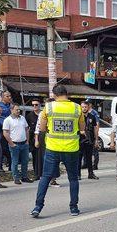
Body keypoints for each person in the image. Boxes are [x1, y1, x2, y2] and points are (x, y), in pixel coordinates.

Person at [31, 86, 85, 218]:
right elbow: (82, 128)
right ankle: (74, 208)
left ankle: (38, 207)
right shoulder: (77, 108)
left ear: (54, 95)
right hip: (71, 149)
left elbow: (42, 128)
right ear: (67, 94)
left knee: (45, 177)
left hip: (53, 148)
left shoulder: (48, 108)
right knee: (73, 179)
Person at [3, 104, 33, 185]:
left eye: (19, 109)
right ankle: (16, 178)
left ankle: (24, 177)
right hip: (14, 144)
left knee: (25, 161)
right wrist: (11, 143)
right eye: (16, 109)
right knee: (15, 162)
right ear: (11, 110)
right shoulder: (7, 120)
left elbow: (27, 130)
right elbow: (5, 133)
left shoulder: (22, 118)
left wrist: (27, 141)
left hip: (24, 143)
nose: (18, 111)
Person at [34, 98, 60, 187]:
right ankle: (44, 179)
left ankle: (53, 179)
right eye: (46, 104)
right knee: (44, 158)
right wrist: (36, 140)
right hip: (44, 135)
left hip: (54, 137)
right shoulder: (42, 113)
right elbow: (38, 127)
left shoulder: (57, 113)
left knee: (55, 158)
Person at [79, 101, 99, 180]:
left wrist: (96, 139)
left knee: (89, 158)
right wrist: (80, 131)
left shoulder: (92, 116)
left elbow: (95, 128)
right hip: (80, 140)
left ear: (88, 107)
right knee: (79, 158)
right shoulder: (78, 117)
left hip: (90, 140)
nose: (84, 108)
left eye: (85, 107)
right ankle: (78, 174)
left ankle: (90, 173)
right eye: (82, 107)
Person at [0, 91, 13, 170]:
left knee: (10, 147)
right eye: (7, 96)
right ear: (2, 97)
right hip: (1, 129)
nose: (9, 98)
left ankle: (11, 166)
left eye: (10, 96)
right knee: (3, 148)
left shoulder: (10, 106)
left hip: (10, 129)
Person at [26, 98, 42, 178]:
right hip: (33, 139)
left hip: (42, 138)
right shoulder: (29, 116)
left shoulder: (43, 114)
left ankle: (43, 173)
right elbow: (27, 129)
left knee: (42, 157)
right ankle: (36, 174)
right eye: (33, 105)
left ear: (40, 105)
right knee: (35, 157)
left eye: (36, 104)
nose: (34, 106)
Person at [88, 103, 100, 170]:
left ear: (90, 105)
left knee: (95, 150)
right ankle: (85, 163)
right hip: (87, 134)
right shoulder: (85, 112)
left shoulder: (94, 112)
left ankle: (95, 165)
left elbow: (97, 124)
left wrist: (96, 135)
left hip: (93, 134)